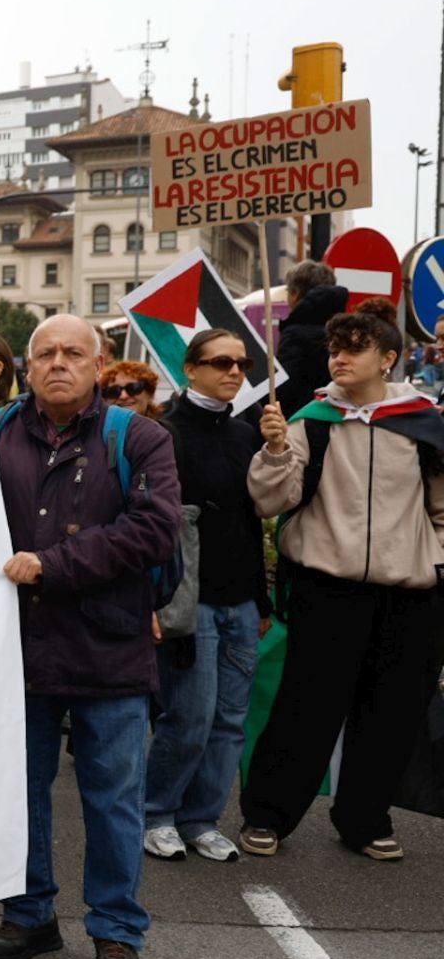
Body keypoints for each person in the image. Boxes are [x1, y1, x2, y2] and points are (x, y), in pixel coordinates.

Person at [0, 314, 180, 959]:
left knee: (114, 799)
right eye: (45, 353)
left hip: (108, 649)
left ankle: (117, 930)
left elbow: (152, 530)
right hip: (17, 653)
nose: (58, 363)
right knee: (20, 795)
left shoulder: (141, 437)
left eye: (73, 353)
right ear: (27, 368)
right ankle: (30, 915)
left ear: (100, 365)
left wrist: (52, 566)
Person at [239, 298, 444, 862]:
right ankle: (267, 816)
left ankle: (364, 819)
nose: (338, 359)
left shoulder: (424, 424)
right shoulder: (310, 421)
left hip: (407, 593)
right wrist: (276, 449)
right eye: (333, 349)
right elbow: (270, 500)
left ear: (388, 359)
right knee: (306, 706)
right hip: (327, 590)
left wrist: (435, 561)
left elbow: (441, 508)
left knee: (390, 714)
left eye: (354, 349)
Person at [141, 331, 269, 864]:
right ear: (189, 369)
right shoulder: (164, 433)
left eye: (243, 363)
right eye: (222, 362)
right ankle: (157, 813)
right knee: (188, 717)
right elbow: (152, 527)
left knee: (228, 723)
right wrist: (153, 600)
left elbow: (254, 521)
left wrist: (261, 602)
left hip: (241, 600)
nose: (235, 372)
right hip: (189, 602)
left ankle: (201, 818)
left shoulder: (246, 436)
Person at [267, 260, 349, 420]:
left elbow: (284, 388)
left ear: (295, 294)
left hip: (301, 420)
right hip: (339, 417)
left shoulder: (296, 332)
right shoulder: (345, 328)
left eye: (288, 292)